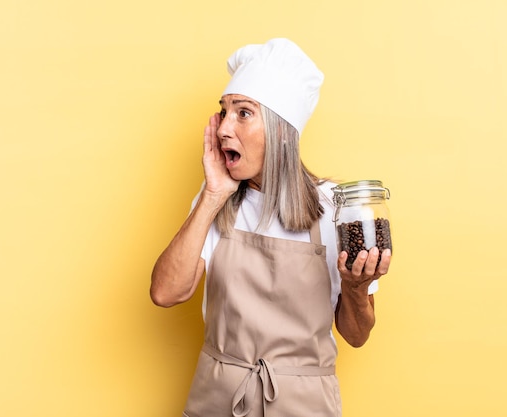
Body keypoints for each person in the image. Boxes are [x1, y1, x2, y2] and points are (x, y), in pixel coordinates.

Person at [150, 38, 391, 417]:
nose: (223, 129)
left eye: (243, 113)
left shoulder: (335, 208)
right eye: (224, 112)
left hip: (305, 406)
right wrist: (213, 195)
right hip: (218, 399)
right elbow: (166, 292)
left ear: (281, 130)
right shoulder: (217, 201)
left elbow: (357, 336)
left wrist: (356, 288)